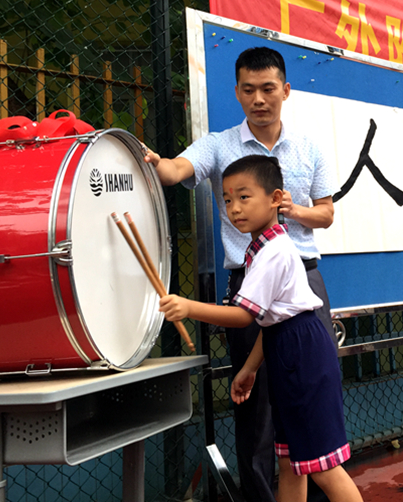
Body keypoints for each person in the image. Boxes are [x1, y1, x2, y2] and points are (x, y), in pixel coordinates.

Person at [144, 46, 336, 502]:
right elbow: (176, 169)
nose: (259, 99)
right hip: (249, 281)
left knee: (309, 396)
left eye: (268, 89)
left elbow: (326, 214)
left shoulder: (308, 147)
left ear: (285, 90)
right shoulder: (218, 145)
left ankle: (323, 490)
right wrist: (154, 163)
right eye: (249, 90)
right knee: (255, 401)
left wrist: (291, 210)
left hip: (304, 279)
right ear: (236, 92)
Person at [160, 155, 363, 502]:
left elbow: (245, 316)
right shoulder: (263, 246)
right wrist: (251, 368)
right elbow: (271, 322)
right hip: (287, 346)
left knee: (322, 467)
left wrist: (189, 307)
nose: (234, 208)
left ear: (275, 199)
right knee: (290, 460)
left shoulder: (274, 252)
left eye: (244, 196)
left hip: (301, 354)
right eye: (227, 200)